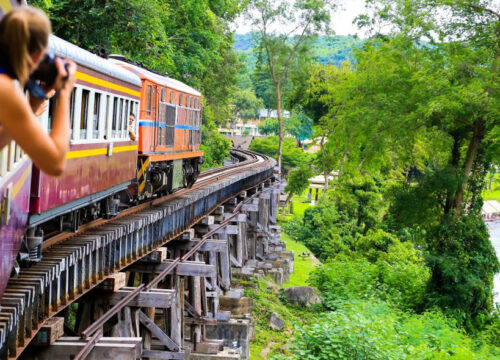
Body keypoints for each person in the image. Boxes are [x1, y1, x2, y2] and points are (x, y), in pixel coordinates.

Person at [0, 7, 76, 176]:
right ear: (38, 55)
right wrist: (64, 92)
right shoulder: (5, 88)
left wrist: (30, 108)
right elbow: (55, 164)